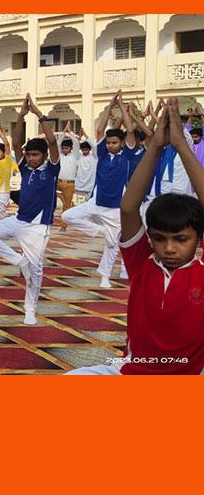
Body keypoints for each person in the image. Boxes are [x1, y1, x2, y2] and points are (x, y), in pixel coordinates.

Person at [69, 98, 204, 375]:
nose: (168, 248)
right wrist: (155, 146)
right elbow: (128, 208)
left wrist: (181, 146)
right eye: (159, 238)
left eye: (181, 239)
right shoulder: (143, 263)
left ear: (198, 239)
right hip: (132, 373)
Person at [0, 94, 60, 324]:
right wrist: (21, 116)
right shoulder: (25, 168)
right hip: (19, 220)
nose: (31, 158)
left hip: (38, 227)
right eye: (29, 155)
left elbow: (53, 143)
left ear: (43, 156)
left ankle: (30, 310)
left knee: (36, 272)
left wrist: (38, 113)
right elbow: (15, 144)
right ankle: (18, 261)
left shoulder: (51, 169)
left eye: (35, 155)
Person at [62, 91, 137, 287]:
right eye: (109, 142)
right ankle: (100, 231)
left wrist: (121, 106)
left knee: (112, 244)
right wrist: (110, 105)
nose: (111, 145)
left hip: (114, 209)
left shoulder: (127, 157)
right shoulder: (100, 155)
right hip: (96, 203)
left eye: (115, 142)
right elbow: (99, 129)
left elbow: (129, 130)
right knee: (67, 217)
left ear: (121, 144)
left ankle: (105, 276)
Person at [55, 121, 80, 229]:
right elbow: (57, 144)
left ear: (70, 149)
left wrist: (70, 133)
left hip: (69, 184)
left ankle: (63, 225)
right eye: (63, 148)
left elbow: (76, 143)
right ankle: (59, 195)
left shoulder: (75, 156)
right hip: (58, 182)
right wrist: (63, 132)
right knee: (46, 191)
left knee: (66, 205)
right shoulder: (59, 155)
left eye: (67, 148)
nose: (64, 150)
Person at [74, 129, 96, 203]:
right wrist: (79, 139)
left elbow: (94, 146)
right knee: (77, 206)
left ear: (90, 149)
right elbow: (76, 147)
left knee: (88, 207)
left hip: (90, 187)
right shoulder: (79, 156)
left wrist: (85, 135)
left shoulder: (94, 157)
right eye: (83, 150)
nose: (84, 152)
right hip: (79, 186)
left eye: (86, 150)